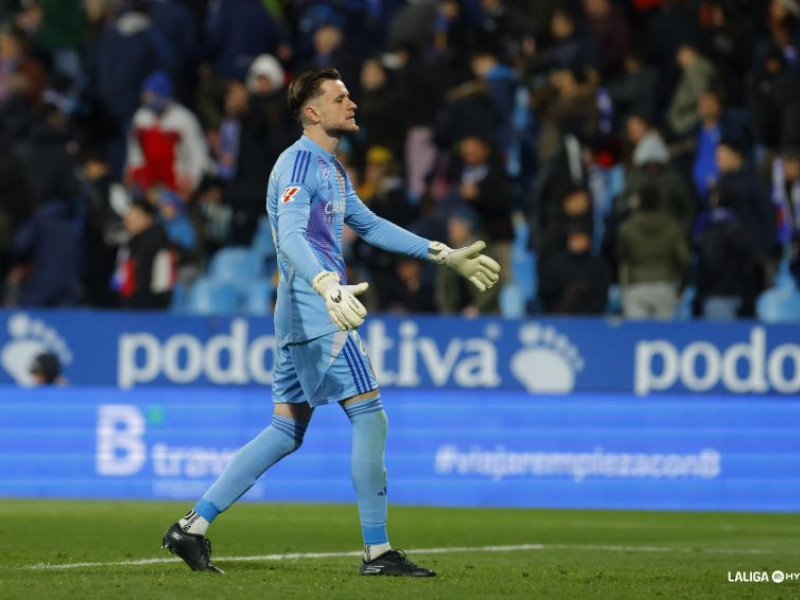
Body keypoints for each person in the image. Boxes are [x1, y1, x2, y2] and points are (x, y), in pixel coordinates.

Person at [161, 67, 501, 576]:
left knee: (284, 430)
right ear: (312, 111)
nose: (353, 103)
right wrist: (325, 283)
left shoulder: (332, 170)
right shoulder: (300, 165)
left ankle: (191, 527)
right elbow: (294, 236)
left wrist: (441, 252)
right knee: (371, 416)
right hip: (319, 309)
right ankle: (378, 552)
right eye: (341, 97)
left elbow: (368, 223)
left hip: (300, 311)